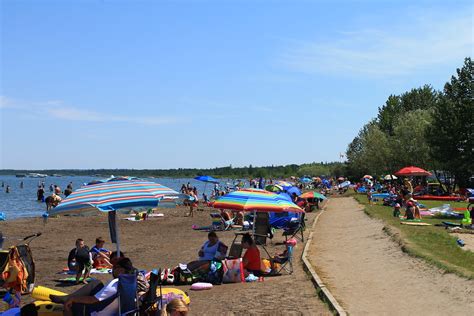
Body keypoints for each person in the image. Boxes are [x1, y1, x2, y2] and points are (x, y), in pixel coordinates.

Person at [51, 257, 145, 316]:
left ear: (121, 270)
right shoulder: (130, 282)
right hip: (113, 309)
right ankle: (67, 297)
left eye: (115, 267)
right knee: (96, 283)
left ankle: (67, 299)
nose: (113, 269)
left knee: (69, 305)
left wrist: (73, 299)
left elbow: (92, 300)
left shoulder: (115, 283)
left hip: (97, 312)